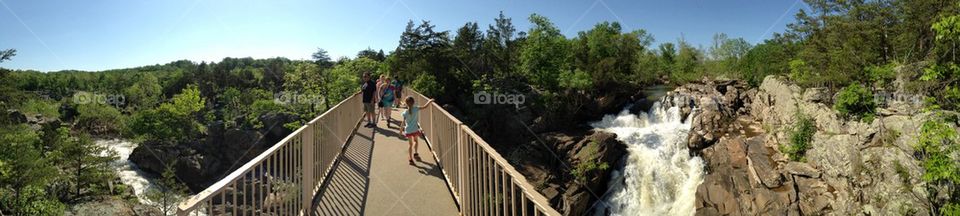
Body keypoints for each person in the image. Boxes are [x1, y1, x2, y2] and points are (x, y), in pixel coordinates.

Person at [400, 96, 433, 165]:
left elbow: (403, 123)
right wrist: (429, 101)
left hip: (408, 130)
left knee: (410, 144)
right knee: (416, 141)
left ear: (406, 103)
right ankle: (415, 153)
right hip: (415, 129)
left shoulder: (405, 112)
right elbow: (424, 107)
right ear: (414, 102)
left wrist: (400, 131)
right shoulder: (416, 108)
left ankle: (410, 158)